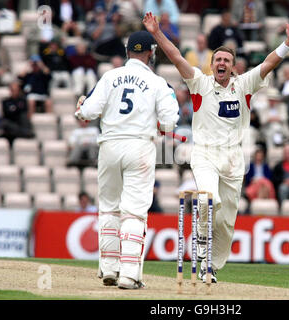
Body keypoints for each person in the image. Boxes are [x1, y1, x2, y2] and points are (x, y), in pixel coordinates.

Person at [143, 12, 289, 282]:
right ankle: (201, 254)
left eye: (226, 60)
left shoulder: (243, 85)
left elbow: (268, 64)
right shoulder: (199, 83)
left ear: (233, 67)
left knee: (226, 221)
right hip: (205, 154)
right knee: (209, 200)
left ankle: (212, 267)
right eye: (218, 59)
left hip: (233, 160)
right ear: (212, 64)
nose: (221, 63)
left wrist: (288, 44)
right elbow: (176, 57)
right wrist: (156, 33)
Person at [75, 30, 179, 289]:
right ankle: (129, 275)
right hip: (139, 147)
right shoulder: (158, 83)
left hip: (109, 145)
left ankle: (109, 269)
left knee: (109, 207)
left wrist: (80, 107)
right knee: (133, 212)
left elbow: (87, 112)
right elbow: (169, 124)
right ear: (151, 53)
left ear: (127, 51)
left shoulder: (109, 77)